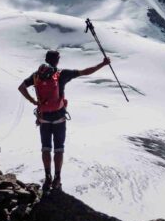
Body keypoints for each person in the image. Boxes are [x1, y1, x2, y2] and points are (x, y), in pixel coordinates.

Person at [18, 49, 109, 192]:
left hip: (44, 118)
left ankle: (47, 177)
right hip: (59, 117)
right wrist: (103, 64)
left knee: (45, 148)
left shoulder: (37, 75)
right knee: (59, 149)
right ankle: (57, 178)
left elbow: (21, 87)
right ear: (57, 60)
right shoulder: (62, 74)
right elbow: (85, 72)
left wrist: (33, 101)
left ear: (46, 59)